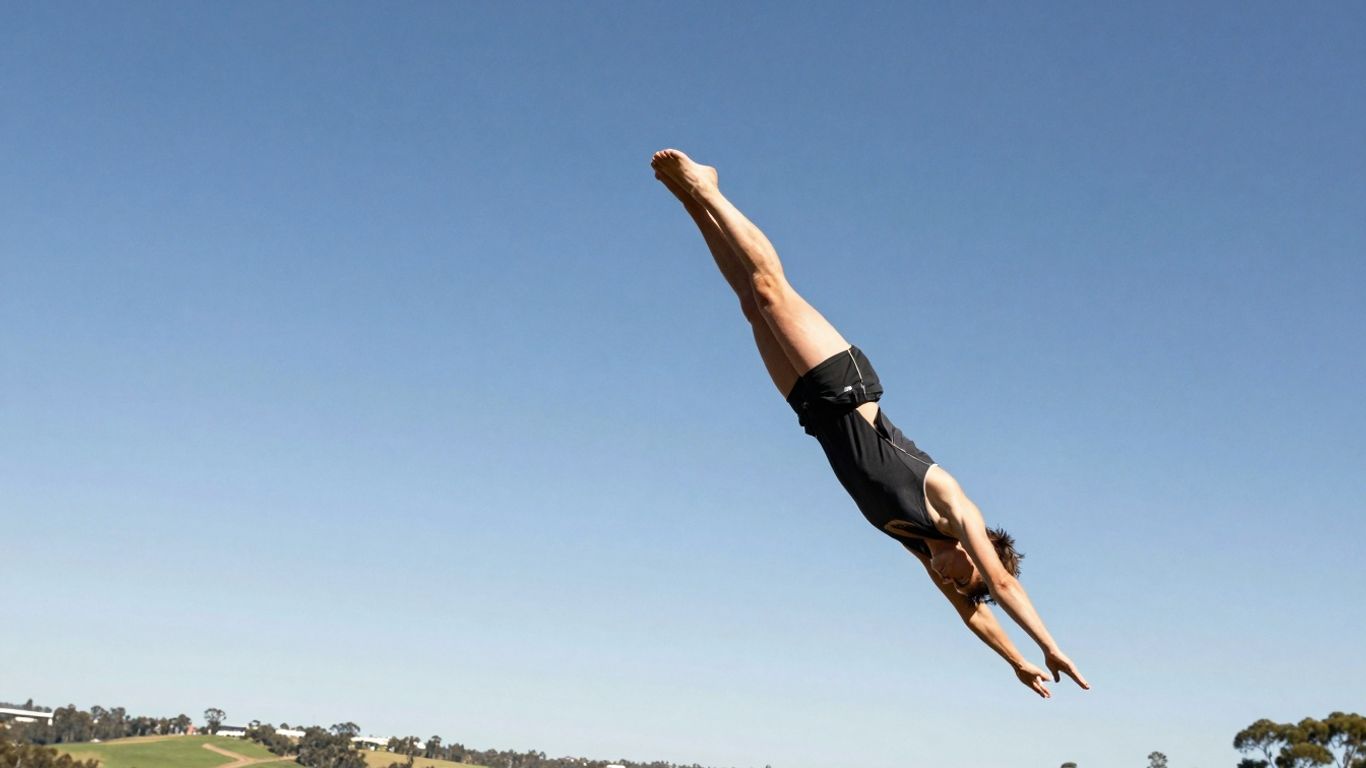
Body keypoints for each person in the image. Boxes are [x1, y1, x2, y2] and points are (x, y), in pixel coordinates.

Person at [650, 148, 1089, 698]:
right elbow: (998, 586)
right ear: (976, 552)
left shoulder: (921, 550)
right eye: (964, 575)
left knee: (747, 302)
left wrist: (1015, 662)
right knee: (769, 290)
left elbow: (974, 614)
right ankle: (709, 188)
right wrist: (1049, 644)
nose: (954, 582)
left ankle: (692, 202)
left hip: (812, 413)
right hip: (846, 387)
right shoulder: (950, 505)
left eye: (959, 585)